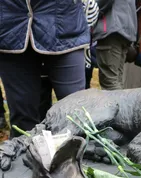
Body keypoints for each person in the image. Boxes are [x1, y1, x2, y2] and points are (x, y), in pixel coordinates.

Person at [0, 0, 90, 138]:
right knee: (22, 121)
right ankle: (25, 157)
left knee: (76, 113)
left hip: (65, 25)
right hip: (10, 27)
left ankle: (79, 156)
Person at [93, 0, 137, 90]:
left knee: (110, 82)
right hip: (125, 29)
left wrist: (91, 10)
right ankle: (122, 103)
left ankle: (118, 104)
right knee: (117, 80)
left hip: (111, 29)